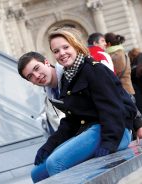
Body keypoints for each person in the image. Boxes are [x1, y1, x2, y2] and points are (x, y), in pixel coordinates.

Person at [21, 28, 136, 183]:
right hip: (93, 131)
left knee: (56, 163)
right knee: (38, 174)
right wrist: (48, 146)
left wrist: (109, 142)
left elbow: (113, 108)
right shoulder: (69, 77)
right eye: (56, 51)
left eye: (65, 47)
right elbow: (71, 120)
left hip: (114, 131)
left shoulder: (94, 70)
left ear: (75, 45)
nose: (61, 53)